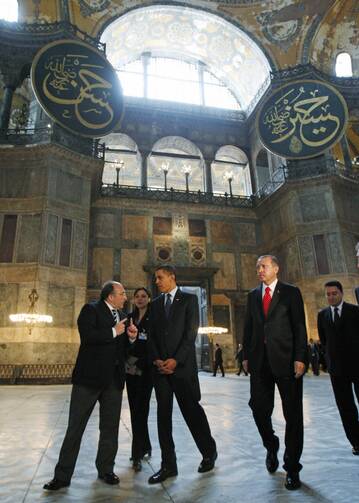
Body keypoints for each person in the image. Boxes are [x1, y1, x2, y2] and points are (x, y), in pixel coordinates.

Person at [43, 281, 137, 491]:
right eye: (122, 294)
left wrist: (131, 338)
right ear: (110, 296)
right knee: (75, 427)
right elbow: (88, 337)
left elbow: (123, 351)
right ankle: (62, 476)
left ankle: (106, 470)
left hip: (113, 381)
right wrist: (114, 332)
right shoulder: (91, 310)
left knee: (110, 429)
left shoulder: (124, 317)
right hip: (89, 380)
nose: (125, 297)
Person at [242, 255, 308, 491]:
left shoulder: (291, 292)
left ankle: (292, 467)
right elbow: (248, 327)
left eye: (264, 266)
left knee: (293, 415)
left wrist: (300, 357)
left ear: (276, 268)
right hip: (260, 362)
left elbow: (300, 326)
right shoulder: (252, 296)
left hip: (287, 361)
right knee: (258, 409)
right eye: (257, 266)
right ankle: (271, 444)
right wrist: (246, 356)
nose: (260, 270)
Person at [147, 265, 217, 484]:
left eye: (159, 278)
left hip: (183, 368)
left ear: (171, 277)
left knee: (192, 412)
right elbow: (152, 336)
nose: (156, 281)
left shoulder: (188, 300)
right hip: (161, 371)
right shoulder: (155, 304)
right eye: (155, 278)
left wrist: (175, 360)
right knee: (163, 417)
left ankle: (208, 452)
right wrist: (158, 359)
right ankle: (168, 465)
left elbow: (190, 334)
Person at [317, 280, 359, 455]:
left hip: (357, 365)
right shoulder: (323, 315)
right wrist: (328, 362)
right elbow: (324, 341)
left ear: (341, 293)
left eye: (334, 293)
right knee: (345, 406)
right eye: (328, 294)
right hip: (337, 370)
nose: (331, 297)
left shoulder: (355, 311)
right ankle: (356, 441)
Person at [125, 287, 153, 472]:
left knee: (141, 410)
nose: (140, 299)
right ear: (133, 300)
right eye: (137, 297)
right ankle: (143, 446)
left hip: (147, 369)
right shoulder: (128, 318)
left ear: (149, 299)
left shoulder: (155, 317)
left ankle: (138, 453)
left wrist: (141, 362)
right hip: (130, 369)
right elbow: (123, 341)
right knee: (135, 409)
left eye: (144, 296)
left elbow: (155, 342)